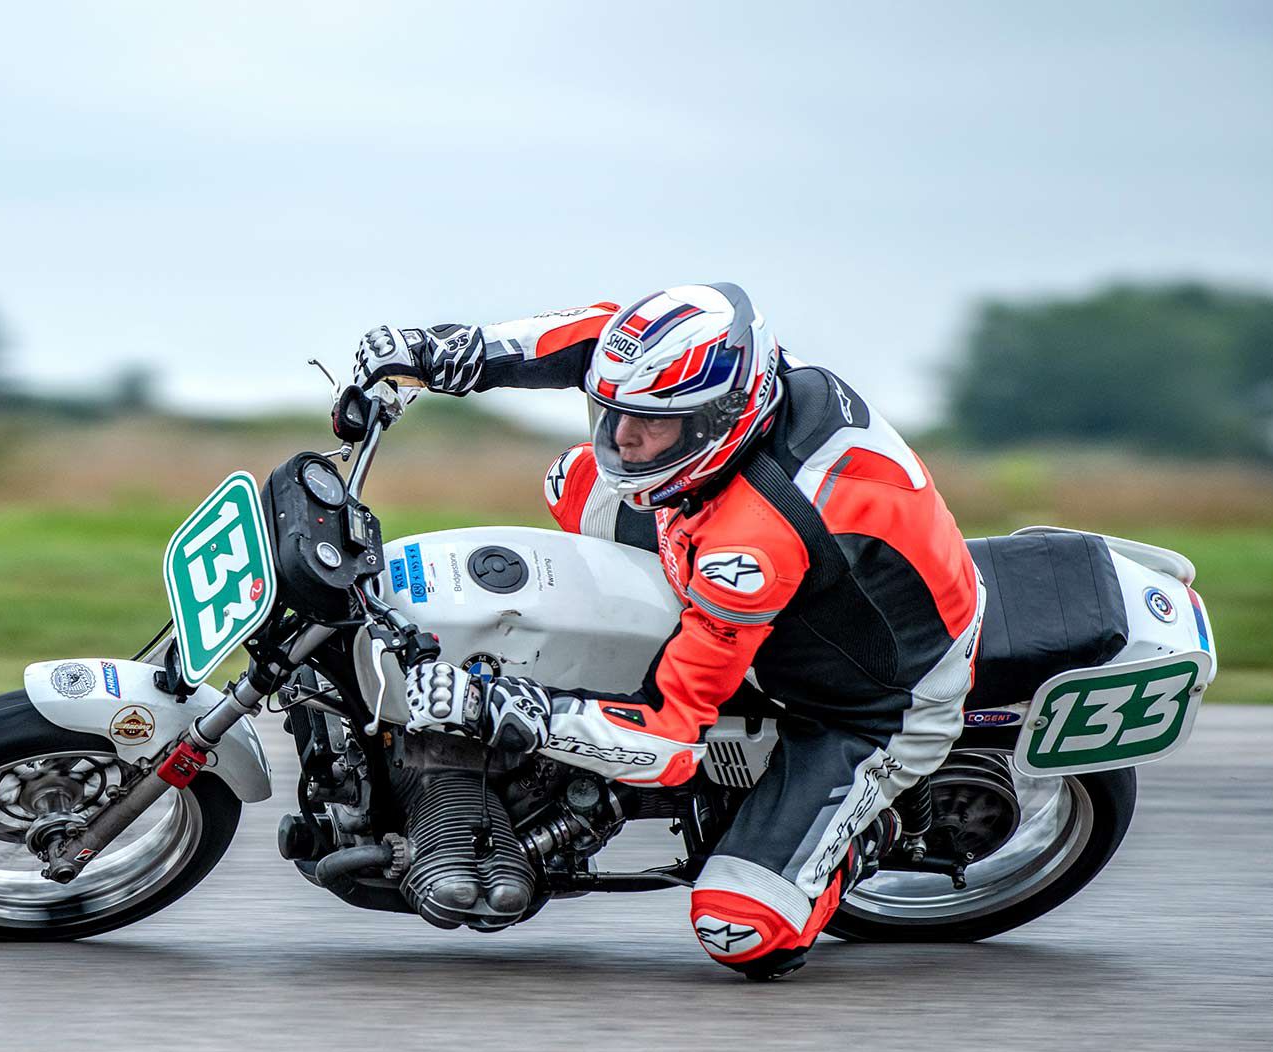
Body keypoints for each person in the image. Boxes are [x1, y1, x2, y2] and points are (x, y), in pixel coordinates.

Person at [356, 284, 985, 980]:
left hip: (874, 700)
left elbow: (667, 742)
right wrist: (451, 353)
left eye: (648, 425)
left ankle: (874, 829)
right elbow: (592, 337)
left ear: (718, 419)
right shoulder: (728, 370)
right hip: (769, 569)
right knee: (577, 477)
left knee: (739, 929)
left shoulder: (753, 546)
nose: (621, 437)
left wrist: (514, 708)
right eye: (614, 412)